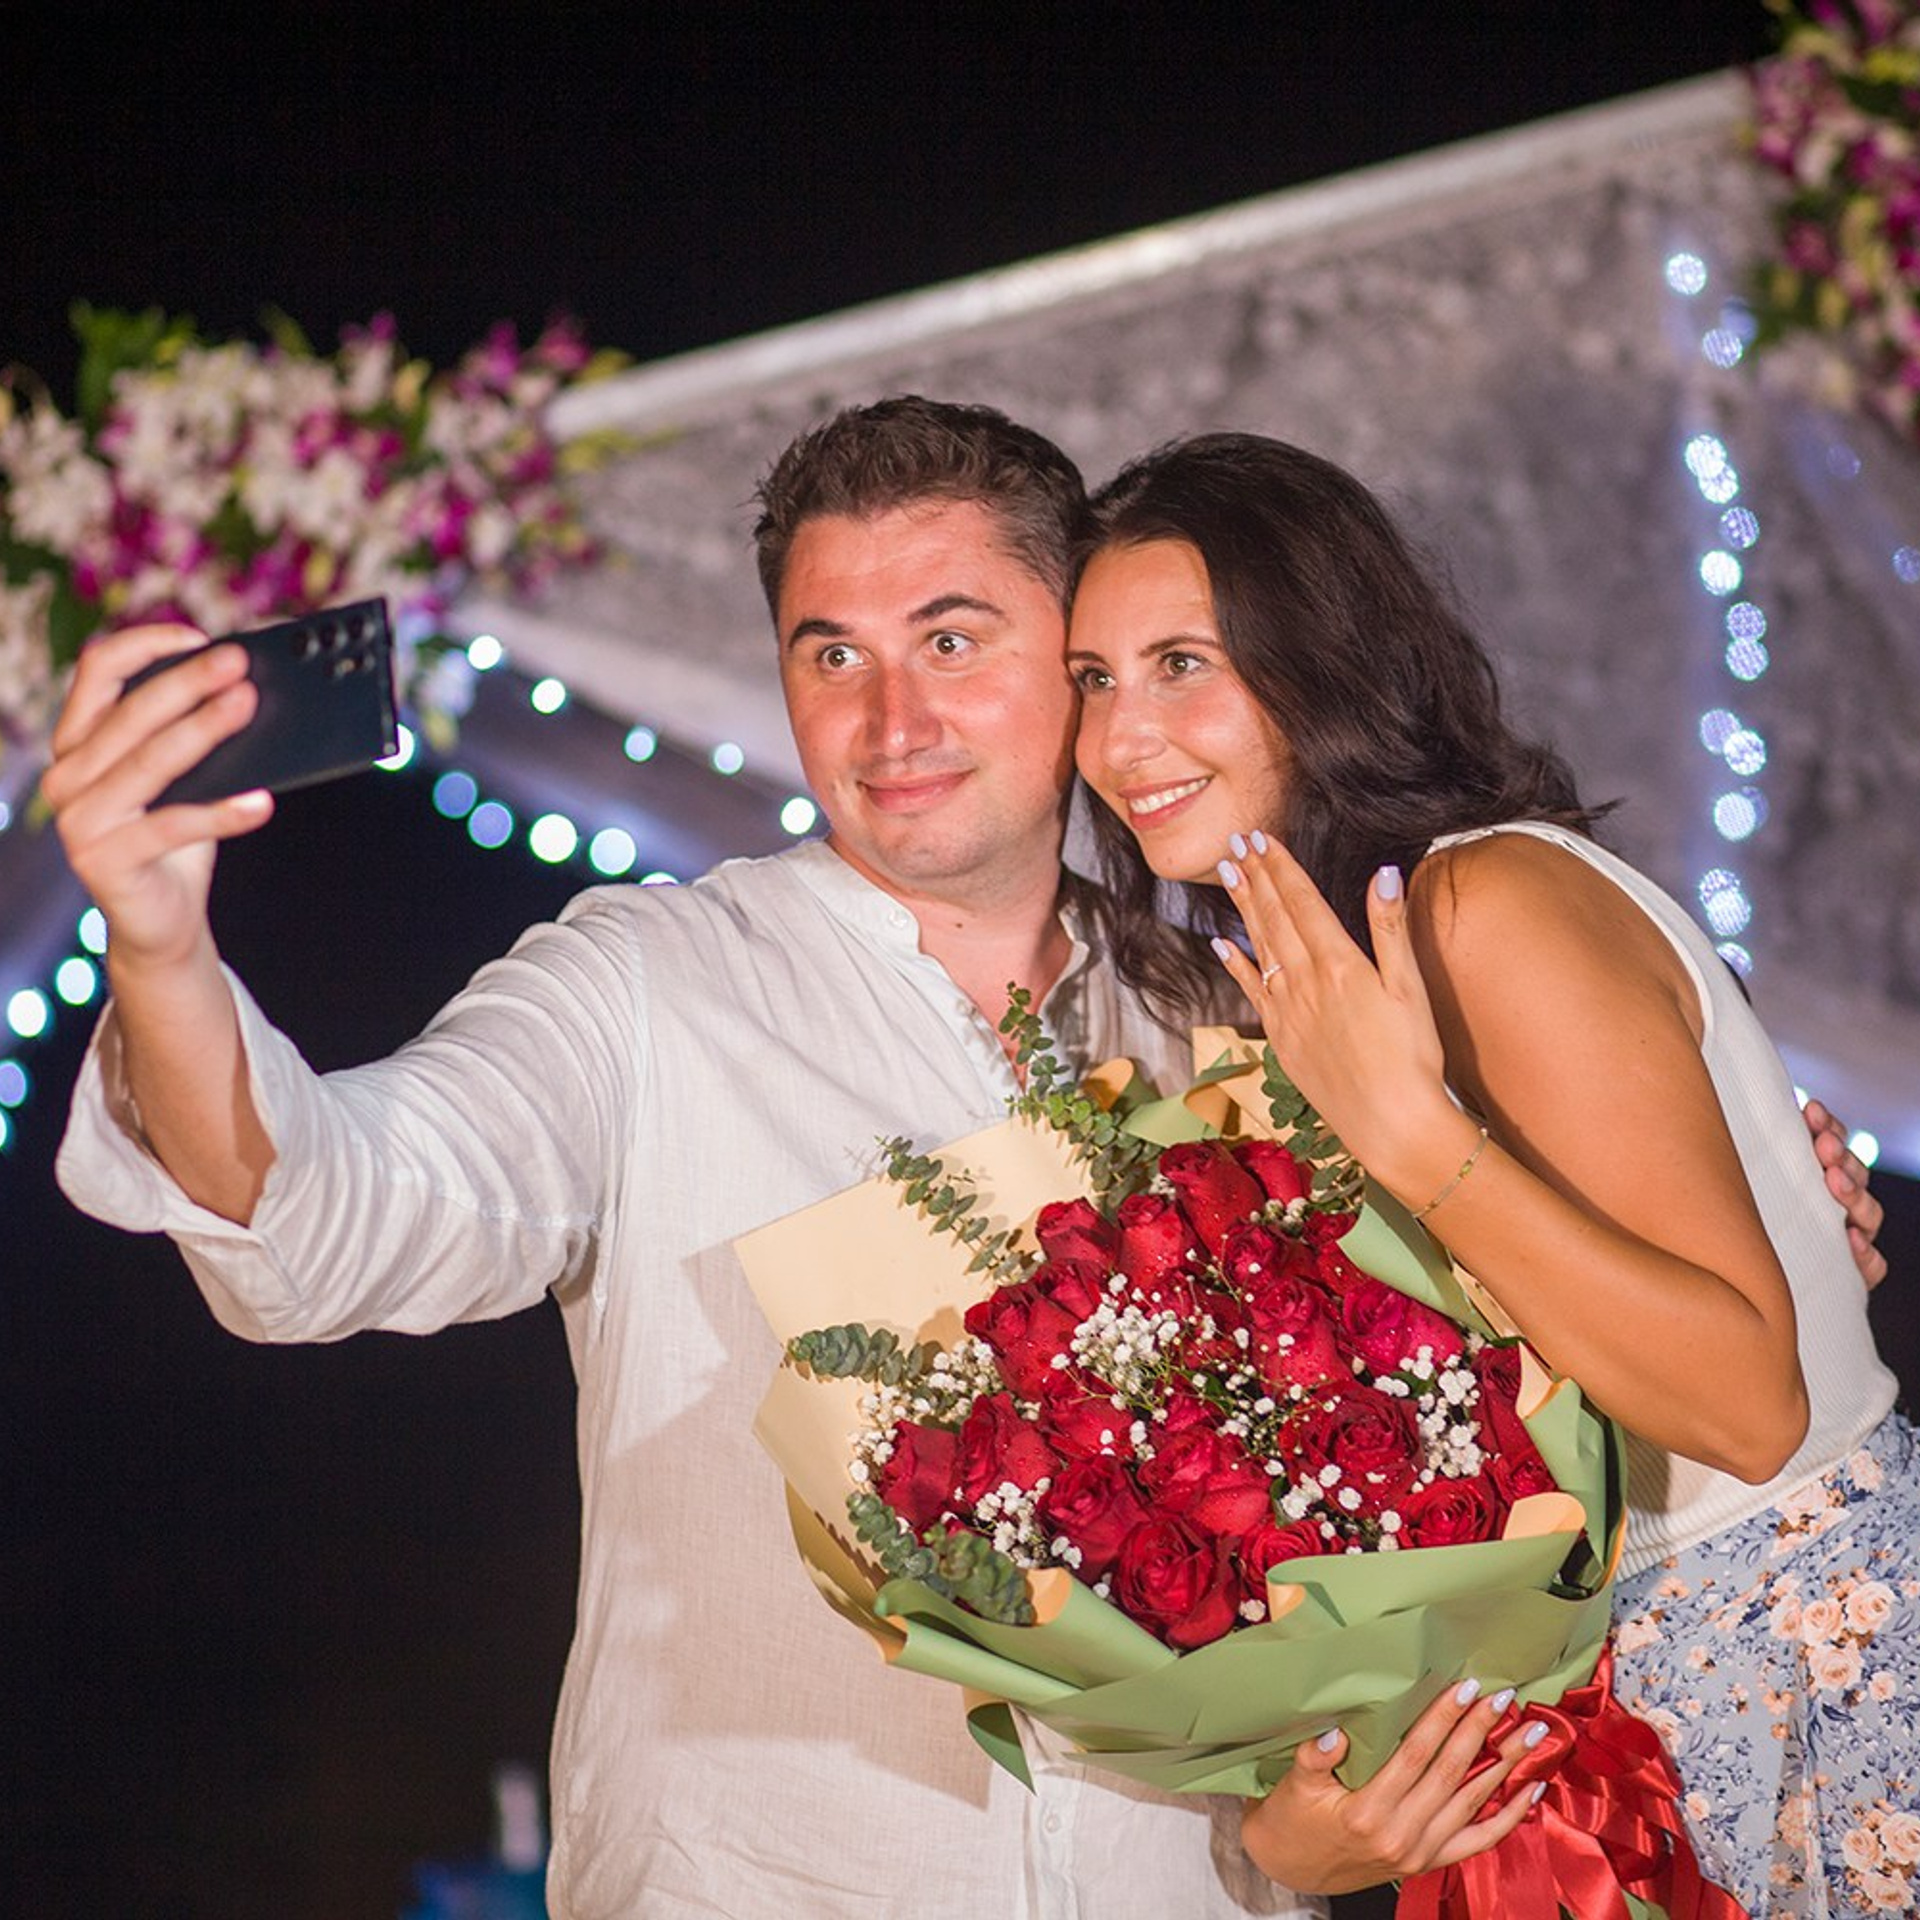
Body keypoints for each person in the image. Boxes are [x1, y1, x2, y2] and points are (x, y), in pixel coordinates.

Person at [45, 398, 1879, 1914]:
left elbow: (1497, 1420)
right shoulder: (644, 987)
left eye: (955, 641)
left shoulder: (1245, 1000)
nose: (889, 720)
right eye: (828, 654)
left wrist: (1773, 1216)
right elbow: (341, 1205)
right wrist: (161, 945)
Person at [1065, 429, 1917, 1909]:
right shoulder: (1305, 981)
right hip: (1609, 1727)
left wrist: (1415, 1144)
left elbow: (1749, 1406)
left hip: (1802, 1679)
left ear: (1318, 658)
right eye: (1094, 680)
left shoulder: (1487, 899)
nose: (1123, 737)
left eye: (1182, 662)